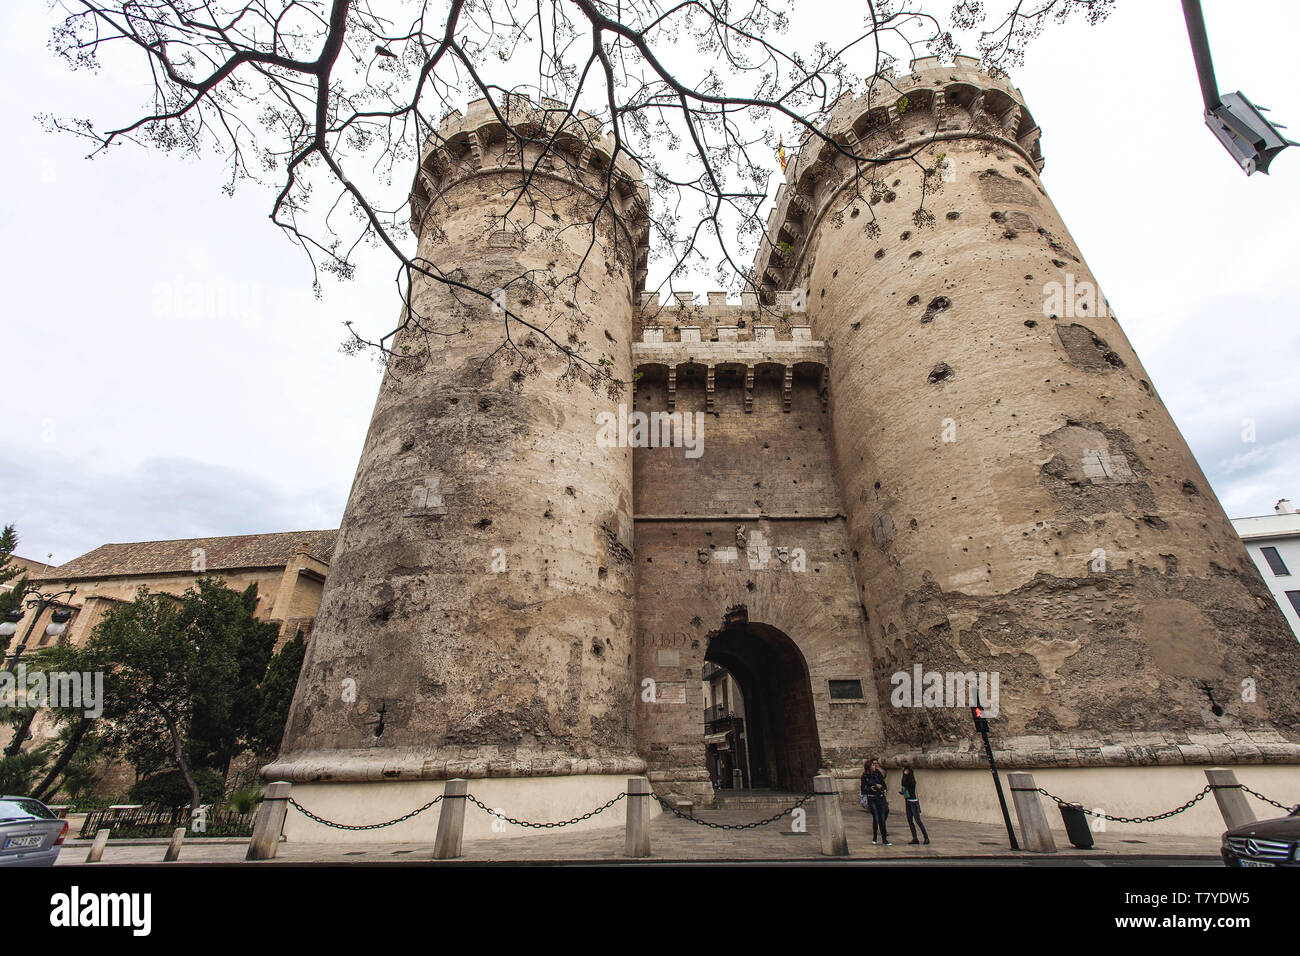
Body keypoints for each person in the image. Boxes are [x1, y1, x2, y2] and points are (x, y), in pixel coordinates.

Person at [860, 758, 891, 845]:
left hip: (880, 797)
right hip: (872, 798)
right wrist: (871, 787)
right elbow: (863, 789)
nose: (875, 766)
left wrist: (884, 789)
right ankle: (875, 837)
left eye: (876, 764)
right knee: (876, 818)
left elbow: (883, 784)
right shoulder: (865, 776)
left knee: (882, 818)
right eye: (873, 765)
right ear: (869, 766)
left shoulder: (878, 773)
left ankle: (884, 839)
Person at [900, 766, 930, 845]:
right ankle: (915, 838)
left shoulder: (911, 780)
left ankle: (926, 837)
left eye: (905, 770)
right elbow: (903, 784)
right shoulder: (906, 778)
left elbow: (905, 784)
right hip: (908, 801)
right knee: (910, 821)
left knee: (918, 821)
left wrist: (905, 775)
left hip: (913, 802)